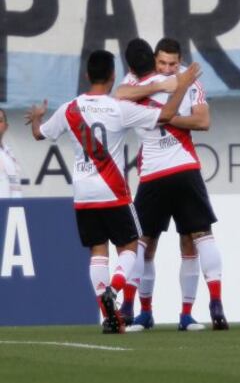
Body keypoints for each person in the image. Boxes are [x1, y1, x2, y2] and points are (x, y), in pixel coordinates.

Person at [25, 50, 200, 334]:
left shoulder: (69, 109)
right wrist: (181, 85)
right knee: (131, 247)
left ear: (86, 76)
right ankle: (115, 289)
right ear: (112, 76)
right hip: (113, 191)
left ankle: (109, 317)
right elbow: (167, 115)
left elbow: (38, 134)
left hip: (83, 194)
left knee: (98, 252)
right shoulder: (119, 107)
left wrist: (36, 117)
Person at [116, 38, 228, 332]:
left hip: (172, 168)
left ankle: (194, 311)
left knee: (191, 239)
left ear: (180, 61)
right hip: (161, 171)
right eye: (162, 63)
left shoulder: (189, 82)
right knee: (147, 243)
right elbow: (121, 94)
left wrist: (164, 118)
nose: (167, 68)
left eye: (172, 64)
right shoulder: (140, 80)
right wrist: (168, 91)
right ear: (154, 60)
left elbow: (203, 121)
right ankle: (142, 311)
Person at [0, 108, 22, 198]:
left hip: (11, 208)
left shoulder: (9, 153)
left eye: (0, 121)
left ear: (6, 126)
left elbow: (16, 186)